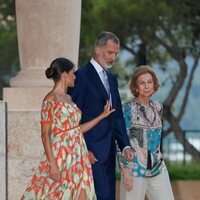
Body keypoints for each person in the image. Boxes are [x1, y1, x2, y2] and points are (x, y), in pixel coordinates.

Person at [21, 57, 115, 200]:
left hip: (79, 154)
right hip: (61, 154)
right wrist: (52, 163)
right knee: (57, 194)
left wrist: (102, 116)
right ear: (64, 74)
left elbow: (76, 129)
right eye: (72, 73)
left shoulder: (69, 98)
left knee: (83, 194)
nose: (75, 76)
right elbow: (45, 135)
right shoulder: (50, 99)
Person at [68, 31, 134, 200]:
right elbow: (73, 119)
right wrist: (83, 151)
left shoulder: (112, 79)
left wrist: (125, 145)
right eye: (110, 52)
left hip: (109, 151)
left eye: (116, 53)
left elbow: (117, 116)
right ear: (98, 50)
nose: (113, 57)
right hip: (91, 153)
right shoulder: (81, 77)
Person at [117, 65, 174, 200]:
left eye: (149, 82)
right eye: (142, 83)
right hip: (134, 169)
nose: (146, 86)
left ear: (154, 85)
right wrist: (125, 171)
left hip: (158, 168)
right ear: (136, 87)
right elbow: (119, 140)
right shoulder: (126, 109)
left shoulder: (158, 108)